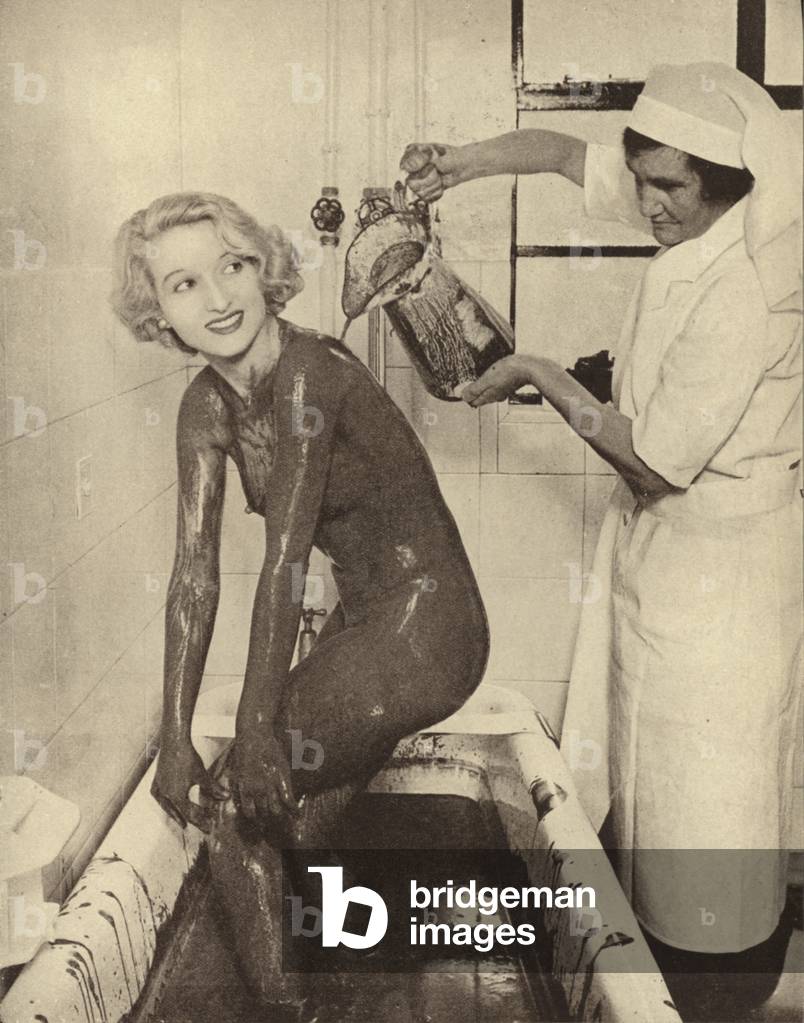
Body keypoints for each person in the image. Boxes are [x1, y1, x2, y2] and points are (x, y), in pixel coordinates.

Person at [402, 61, 802, 1018]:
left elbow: (658, 463)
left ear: (729, 181)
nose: (650, 203)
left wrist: (535, 367)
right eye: (645, 180)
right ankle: (644, 980)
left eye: (670, 187)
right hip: (669, 558)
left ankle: (717, 992)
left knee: (712, 797)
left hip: (725, 573)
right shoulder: (694, 209)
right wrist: (457, 165)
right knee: (652, 787)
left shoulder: (747, 285)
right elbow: (556, 150)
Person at [110, 192, 489, 1017]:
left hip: (430, 625)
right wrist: (173, 735)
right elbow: (194, 577)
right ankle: (338, 982)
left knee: (239, 817)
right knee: (275, 828)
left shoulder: (310, 373)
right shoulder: (205, 408)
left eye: (232, 267)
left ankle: (290, 1010)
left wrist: (252, 734)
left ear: (263, 269)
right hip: (370, 628)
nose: (217, 298)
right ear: (158, 312)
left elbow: (283, 564)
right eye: (184, 284)